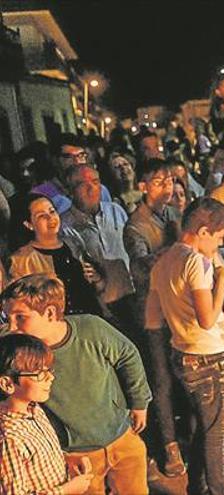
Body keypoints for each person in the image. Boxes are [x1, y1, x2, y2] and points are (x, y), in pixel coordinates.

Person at [1, 274, 152, 495]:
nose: (12, 327)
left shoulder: (91, 329)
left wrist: (139, 402)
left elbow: (127, 356)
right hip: (75, 454)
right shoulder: (14, 350)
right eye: (7, 318)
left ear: (50, 313)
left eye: (20, 317)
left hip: (121, 436)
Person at [145, 197, 224, 495]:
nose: (218, 246)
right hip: (208, 356)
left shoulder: (164, 261)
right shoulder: (196, 262)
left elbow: (153, 320)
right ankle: (218, 491)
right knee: (217, 435)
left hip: (182, 354)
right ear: (203, 232)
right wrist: (222, 281)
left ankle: (197, 488)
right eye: (217, 238)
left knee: (204, 430)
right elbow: (206, 319)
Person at [122, 158, 186, 478]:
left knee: (187, 372)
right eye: (159, 182)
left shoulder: (175, 214)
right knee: (161, 379)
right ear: (143, 187)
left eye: (170, 181)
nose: (167, 187)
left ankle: (189, 434)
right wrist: (176, 247)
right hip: (154, 311)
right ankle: (170, 446)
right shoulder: (136, 225)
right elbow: (140, 266)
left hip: (180, 306)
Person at [0, 333, 94, 495]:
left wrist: (67, 458)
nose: (50, 377)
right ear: (7, 384)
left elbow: (36, 457)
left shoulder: (35, 409)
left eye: (49, 370)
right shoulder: (9, 438)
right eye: (39, 374)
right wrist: (66, 490)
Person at [60, 165, 135, 330]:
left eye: (95, 182)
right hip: (105, 305)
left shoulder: (115, 210)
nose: (91, 188)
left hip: (133, 292)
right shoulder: (65, 226)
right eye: (82, 184)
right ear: (70, 191)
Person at [9, 194, 104, 316]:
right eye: (42, 216)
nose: (51, 218)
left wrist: (96, 278)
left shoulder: (73, 243)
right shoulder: (21, 260)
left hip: (92, 316)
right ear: (29, 224)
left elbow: (97, 289)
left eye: (52, 211)